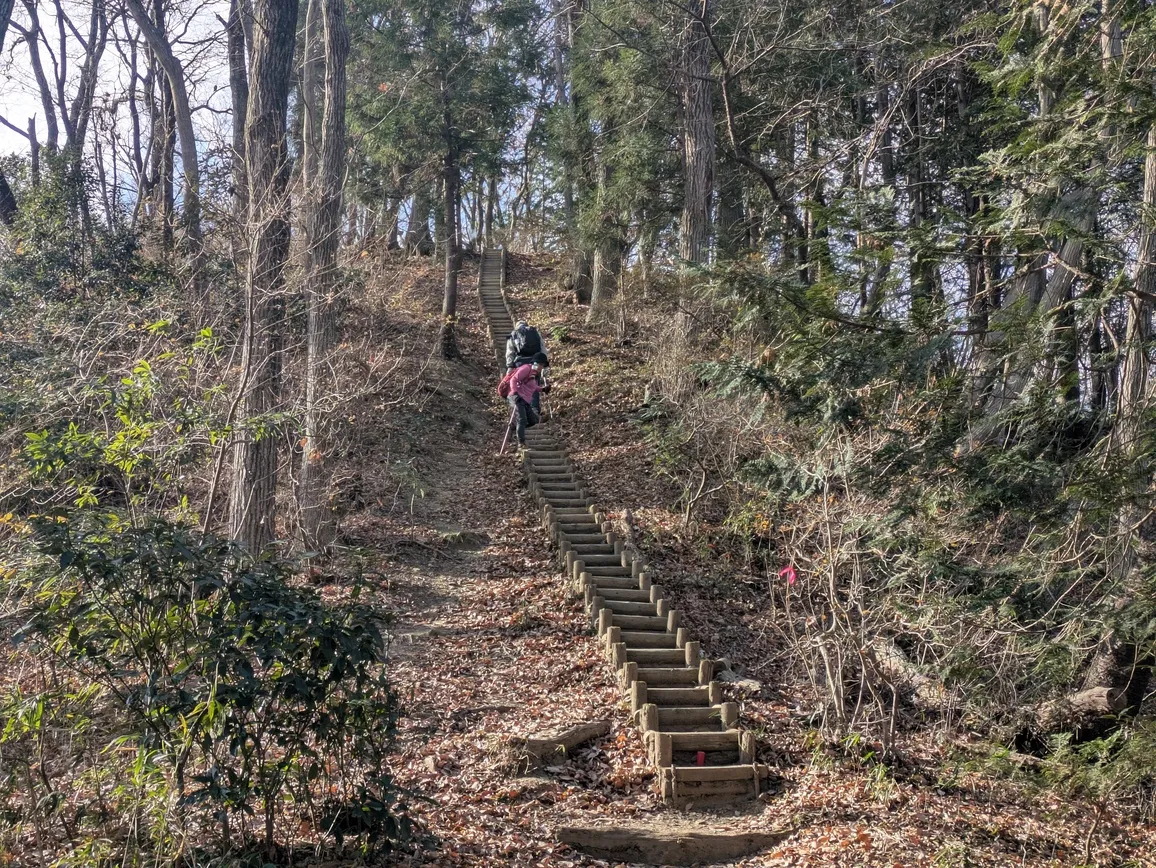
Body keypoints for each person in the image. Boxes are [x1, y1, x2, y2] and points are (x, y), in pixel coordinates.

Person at [505, 321, 549, 411]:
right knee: (533, 384)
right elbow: (542, 348)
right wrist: (544, 363)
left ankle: (521, 409)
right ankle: (534, 409)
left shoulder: (514, 334)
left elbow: (510, 352)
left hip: (520, 362)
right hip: (535, 363)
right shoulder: (535, 332)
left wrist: (510, 366)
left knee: (520, 384)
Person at [508, 352, 549, 447]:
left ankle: (517, 426)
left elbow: (533, 387)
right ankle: (521, 442)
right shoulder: (526, 368)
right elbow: (513, 379)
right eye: (540, 364)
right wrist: (515, 393)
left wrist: (543, 389)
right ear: (535, 362)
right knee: (522, 419)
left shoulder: (534, 374)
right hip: (517, 397)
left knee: (533, 420)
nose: (541, 367)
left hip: (525, 399)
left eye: (542, 366)